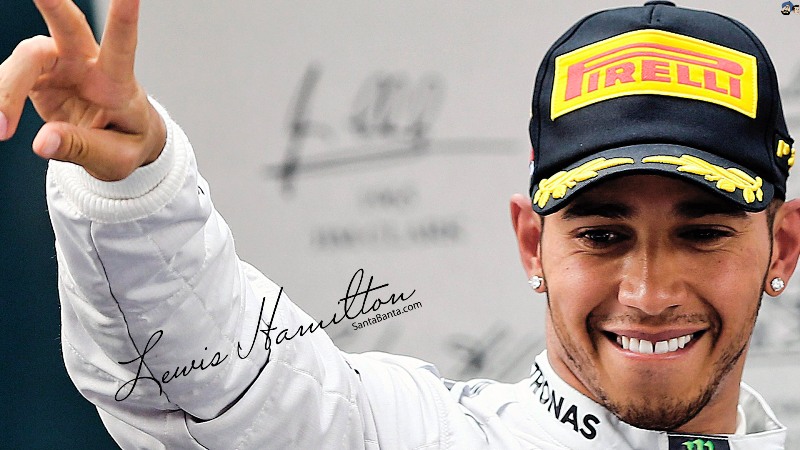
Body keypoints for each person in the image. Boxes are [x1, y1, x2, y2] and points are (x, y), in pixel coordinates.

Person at [1, 0, 798, 448]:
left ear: (782, 248)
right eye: (602, 234)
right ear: (533, 244)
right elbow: (219, 387)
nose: (650, 293)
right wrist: (138, 189)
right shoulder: (416, 435)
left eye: (703, 232)